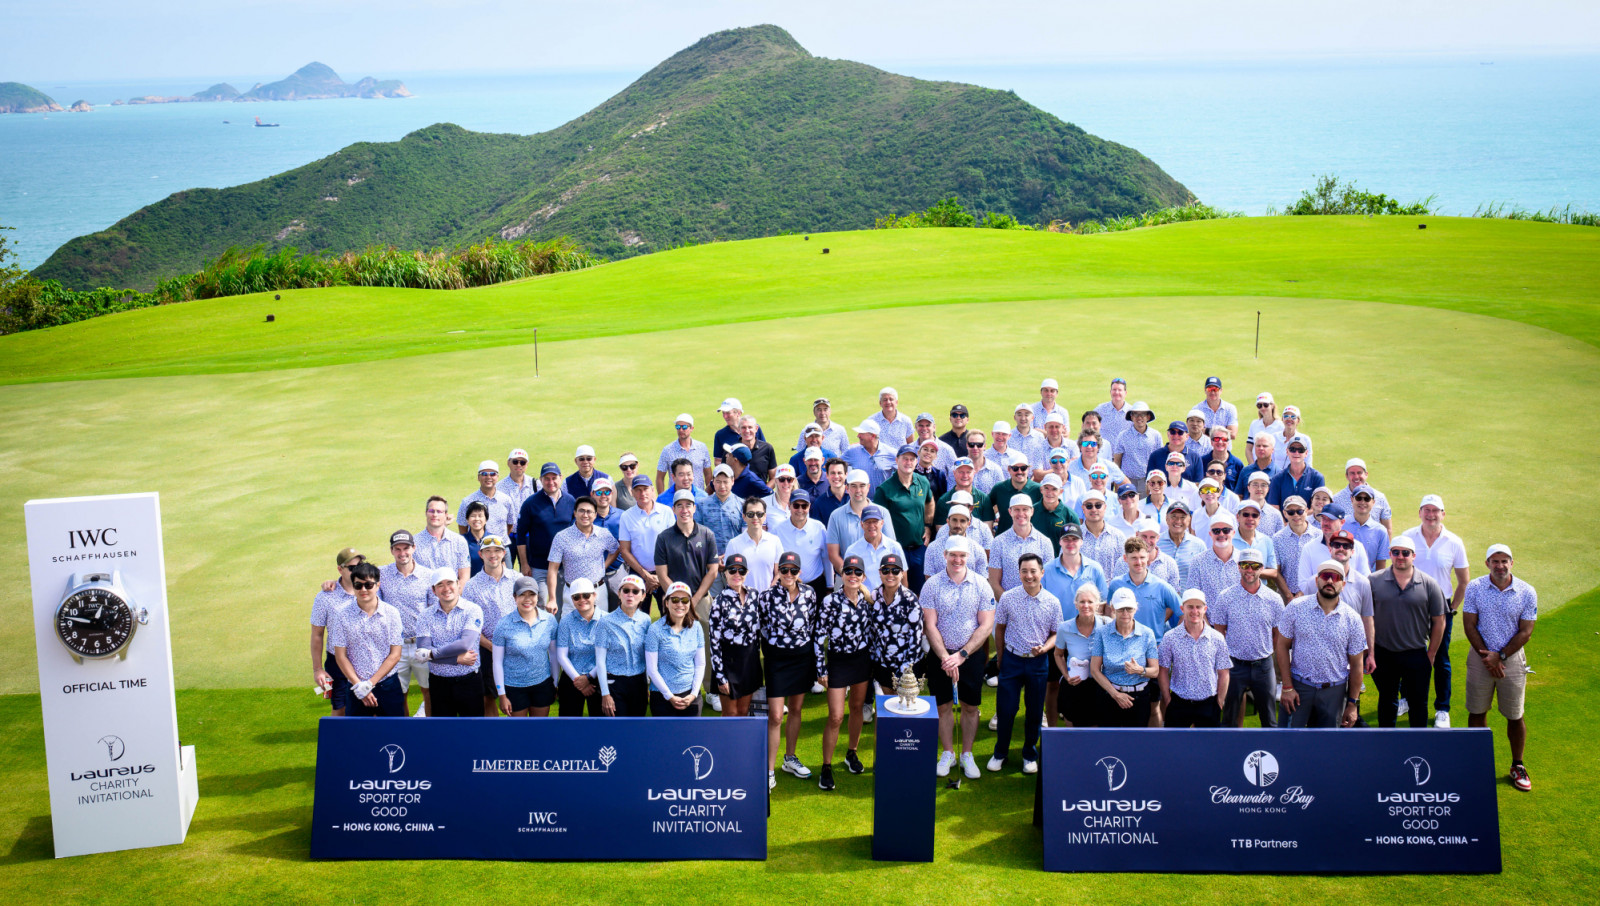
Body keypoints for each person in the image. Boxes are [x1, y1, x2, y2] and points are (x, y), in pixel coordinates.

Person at [1462, 544, 1538, 792]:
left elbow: (1526, 631)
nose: (1500, 565)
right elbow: (1470, 625)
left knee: (1515, 715)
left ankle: (1517, 765)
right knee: (1477, 711)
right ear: (1487, 564)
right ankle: (1476, 763)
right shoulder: (1474, 587)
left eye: (1505, 561)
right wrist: (1488, 657)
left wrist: (1501, 656)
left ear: (1512, 563)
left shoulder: (1527, 591)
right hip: (1480, 656)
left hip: (1512, 660)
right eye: (1495, 561)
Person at [921, 538, 995, 779]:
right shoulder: (932, 585)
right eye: (953, 555)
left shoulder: (982, 585)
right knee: (942, 706)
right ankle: (948, 753)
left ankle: (967, 754)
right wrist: (946, 657)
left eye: (962, 555)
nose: (957, 560)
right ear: (945, 555)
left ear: (969, 557)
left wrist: (961, 655)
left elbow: (986, 625)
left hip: (970, 656)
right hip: (940, 655)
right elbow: (929, 625)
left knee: (970, 707)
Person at [989, 553, 1061, 773]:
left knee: (1034, 711)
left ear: (1042, 573)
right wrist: (1000, 656)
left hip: (1038, 663)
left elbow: (1056, 634)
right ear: (1019, 573)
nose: (1029, 576)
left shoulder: (1052, 602)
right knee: (1006, 709)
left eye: (1033, 571)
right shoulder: (1009, 598)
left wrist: (1045, 648)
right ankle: (1000, 752)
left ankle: (1029, 754)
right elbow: (999, 628)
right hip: (1011, 660)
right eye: (1024, 571)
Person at [1403, 494, 1470, 728]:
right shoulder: (1408, 537)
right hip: (1411, 605)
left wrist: (1452, 608)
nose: (1431, 515)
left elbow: (1463, 580)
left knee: (1440, 658)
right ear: (1420, 512)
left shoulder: (1454, 541)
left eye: (1436, 511)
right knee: (1408, 653)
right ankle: (1405, 697)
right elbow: (1398, 569)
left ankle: (1442, 708)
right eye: (1426, 510)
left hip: (1441, 609)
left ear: (1443, 514)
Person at [1275, 560, 1366, 728]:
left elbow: (1356, 663)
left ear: (1343, 584)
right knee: (1289, 744)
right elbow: (1281, 646)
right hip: (1299, 687)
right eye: (1325, 576)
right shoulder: (1296, 607)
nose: (1330, 581)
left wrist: (1353, 702)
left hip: (1334, 692)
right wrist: (1287, 687)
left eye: (1335, 577)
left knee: (1328, 747)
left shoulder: (1352, 619)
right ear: (1317, 580)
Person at [1369, 535, 1447, 728]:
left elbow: (1439, 621)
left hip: (1416, 653)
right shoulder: (1374, 581)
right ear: (1390, 555)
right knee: (1387, 700)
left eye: (1405, 553)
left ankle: (1418, 746)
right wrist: (1369, 652)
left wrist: (1431, 653)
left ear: (1413, 556)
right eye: (1396, 552)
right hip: (1383, 652)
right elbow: (1366, 618)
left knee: (1418, 702)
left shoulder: (1429, 583)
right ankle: (1387, 744)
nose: (1400, 556)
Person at [654, 488, 720, 708]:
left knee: (706, 643)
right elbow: (662, 573)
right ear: (674, 509)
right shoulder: (664, 537)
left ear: (694, 507)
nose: (684, 510)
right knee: (672, 645)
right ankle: (673, 688)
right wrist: (677, 599)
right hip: (674, 602)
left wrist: (693, 599)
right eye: (679, 506)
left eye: (688, 505)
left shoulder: (706, 534)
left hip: (700, 599)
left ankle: (710, 690)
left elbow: (712, 570)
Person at [816, 555, 877, 790]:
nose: (852, 576)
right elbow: (819, 637)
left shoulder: (868, 600)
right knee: (835, 717)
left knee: (857, 708)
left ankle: (851, 752)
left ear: (863, 576)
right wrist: (821, 669)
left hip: (861, 662)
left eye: (857, 572)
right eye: (848, 571)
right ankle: (826, 766)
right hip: (838, 662)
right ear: (841, 575)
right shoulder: (830, 601)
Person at [761, 557, 822, 788]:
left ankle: (789, 758)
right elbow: (764, 628)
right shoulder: (767, 597)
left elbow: (813, 625)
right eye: (784, 569)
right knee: (776, 716)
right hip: (777, 660)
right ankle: (768, 769)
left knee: (796, 709)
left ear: (799, 571)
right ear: (779, 570)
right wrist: (774, 651)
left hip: (802, 658)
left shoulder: (809, 593)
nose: (788, 573)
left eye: (793, 569)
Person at [1210, 548, 1284, 727]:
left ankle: (1271, 753)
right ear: (1238, 567)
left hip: (1264, 666)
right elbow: (1219, 634)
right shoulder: (1225, 597)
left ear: (1261, 568)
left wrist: (1268, 654)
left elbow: (1278, 635)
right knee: (1229, 718)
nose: (1249, 570)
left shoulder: (1274, 599)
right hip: (1234, 666)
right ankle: (1230, 754)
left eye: (1254, 566)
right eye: (1245, 565)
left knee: (1269, 719)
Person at [331, 561, 406, 716]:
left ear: (377, 585)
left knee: (394, 736)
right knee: (357, 737)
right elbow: (340, 655)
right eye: (358, 585)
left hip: (387, 685)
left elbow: (395, 654)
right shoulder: (341, 615)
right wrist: (360, 686)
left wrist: (369, 684)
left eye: (368, 585)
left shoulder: (392, 613)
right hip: (355, 688)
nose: (363, 590)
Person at [413, 569, 485, 718]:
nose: (446, 589)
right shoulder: (425, 616)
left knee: (473, 731)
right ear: (433, 590)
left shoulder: (473, 610)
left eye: (450, 583)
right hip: (439, 683)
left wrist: (432, 654)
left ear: (458, 584)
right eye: (440, 585)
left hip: (469, 681)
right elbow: (423, 649)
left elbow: (464, 644)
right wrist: (456, 659)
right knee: (443, 733)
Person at [377, 530, 432, 715]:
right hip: (394, 646)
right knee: (399, 694)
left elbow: (433, 611)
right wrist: (333, 583)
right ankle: (406, 734)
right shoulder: (381, 575)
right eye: (397, 549)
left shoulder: (428, 575)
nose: (402, 553)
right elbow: (356, 578)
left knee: (428, 691)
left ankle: (429, 732)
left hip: (421, 643)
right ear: (392, 551)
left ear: (414, 548)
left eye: (406, 548)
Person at [1158, 590, 1232, 728]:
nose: (1194, 611)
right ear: (1182, 609)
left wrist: (1219, 702)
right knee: (1174, 747)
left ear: (1205, 609)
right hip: (1179, 703)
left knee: (1209, 747)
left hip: (1209, 703)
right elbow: (1163, 671)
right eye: (1190, 606)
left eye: (1198, 607)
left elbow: (1224, 672)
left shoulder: (1217, 638)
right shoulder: (1170, 637)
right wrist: (1167, 699)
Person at [1090, 589, 1161, 727]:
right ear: (1112, 609)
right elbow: (1094, 670)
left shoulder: (1147, 634)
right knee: (1110, 744)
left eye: (1129, 608)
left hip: (1139, 697)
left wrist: (1140, 670)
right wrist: (1115, 694)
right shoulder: (1102, 633)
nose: (1125, 613)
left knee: (1136, 743)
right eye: (1121, 609)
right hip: (1110, 696)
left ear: (1135, 608)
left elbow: (1155, 671)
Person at [464, 536, 518, 715]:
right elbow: (469, 625)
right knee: (488, 695)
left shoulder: (518, 579)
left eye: (497, 551)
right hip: (486, 648)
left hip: (517, 646)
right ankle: (495, 736)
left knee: (517, 693)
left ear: (504, 553)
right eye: (488, 551)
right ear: (481, 554)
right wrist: (492, 647)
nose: (492, 555)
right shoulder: (471, 586)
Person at [492, 576, 559, 716]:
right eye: (522, 594)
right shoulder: (503, 624)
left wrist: (555, 683)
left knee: (539, 730)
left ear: (538, 596)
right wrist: (502, 695)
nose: (527, 599)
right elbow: (497, 662)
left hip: (542, 683)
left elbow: (553, 655)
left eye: (532, 594)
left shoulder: (549, 620)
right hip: (514, 687)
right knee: (518, 734)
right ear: (514, 597)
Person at [709, 553, 764, 717]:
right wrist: (720, 676)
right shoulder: (719, 602)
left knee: (743, 712)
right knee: (730, 714)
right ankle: (727, 744)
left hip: (749, 661)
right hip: (728, 663)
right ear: (724, 573)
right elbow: (714, 642)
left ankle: (741, 744)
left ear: (747, 573)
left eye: (741, 571)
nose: (737, 575)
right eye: (732, 570)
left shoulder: (754, 595)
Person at [516, 465, 576, 612]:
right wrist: (524, 563)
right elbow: (521, 536)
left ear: (560, 478)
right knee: (541, 605)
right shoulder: (530, 503)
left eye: (554, 478)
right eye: (546, 479)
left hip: (565, 567)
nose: (551, 482)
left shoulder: (571, 501)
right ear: (541, 480)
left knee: (563, 606)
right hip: (539, 566)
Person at [872, 445, 934, 588]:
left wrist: (928, 526)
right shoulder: (885, 489)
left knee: (920, 589)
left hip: (919, 547)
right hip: (896, 549)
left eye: (912, 459)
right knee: (898, 589)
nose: (908, 462)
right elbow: (877, 521)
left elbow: (930, 502)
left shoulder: (922, 482)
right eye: (904, 459)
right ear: (897, 460)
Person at [547, 495, 620, 614]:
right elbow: (553, 569)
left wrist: (603, 567)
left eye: (589, 512)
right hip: (573, 595)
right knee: (570, 630)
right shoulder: (561, 537)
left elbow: (615, 549)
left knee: (600, 629)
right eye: (581, 511)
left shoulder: (603, 534)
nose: (585, 515)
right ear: (575, 513)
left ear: (595, 515)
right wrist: (552, 599)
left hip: (598, 592)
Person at [310, 548, 361, 716]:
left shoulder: (371, 587)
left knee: (372, 705)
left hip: (367, 657)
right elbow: (317, 635)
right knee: (340, 707)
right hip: (337, 660)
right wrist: (317, 669)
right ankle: (340, 741)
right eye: (352, 568)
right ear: (340, 569)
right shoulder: (325, 597)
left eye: (361, 566)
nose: (358, 571)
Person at [871, 551, 928, 698]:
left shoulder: (911, 600)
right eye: (886, 570)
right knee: (888, 704)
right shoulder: (874, 596)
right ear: (880, 573)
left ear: (902, 574)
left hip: (907, 665)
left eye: (895, 570)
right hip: (883, 663)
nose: (890, 574)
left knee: (905, 708)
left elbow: (916, 637)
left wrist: (905, 669)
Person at [1053, 585, 1111, 727]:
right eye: (1082, 602)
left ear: (1098, 605)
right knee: (1072, 728)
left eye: (1090, 602)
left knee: (1096, 731)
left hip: (1100, 686)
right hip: (1074, 685)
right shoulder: (1064, 628)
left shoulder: (1108, 625)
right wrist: (1066, 676)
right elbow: (1058, 654)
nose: (1086, 605)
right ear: (1076, 604)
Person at [646, 583, 707, 717]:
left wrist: (694, 694)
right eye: (674, 599)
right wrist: (670, 696)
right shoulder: (655, 629)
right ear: (666, 603)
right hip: (662, 695)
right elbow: (651, 669)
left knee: (691, 737)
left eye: (685, 600)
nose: (680, 604)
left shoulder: (696, 627)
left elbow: (700, 664)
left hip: (690, 695)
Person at [595, 574, 652, 716]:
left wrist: (646, 684)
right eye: (625, 590)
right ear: (619, 594)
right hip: (614, 683)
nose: (630, 595)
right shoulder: (605, 622)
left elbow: (646, 656)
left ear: (643, 595)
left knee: (637, 728)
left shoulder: (646, 620)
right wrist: (605, 694)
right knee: (617, 730)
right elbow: (600, 661)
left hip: (638, 681)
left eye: (635, 591)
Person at [617, 477, 673, 615]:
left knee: (669, 616)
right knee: (637, 619)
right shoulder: (627, 516)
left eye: (646, 489)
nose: (643, 493)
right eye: (638, 490)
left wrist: (659, 576)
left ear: (653, 490)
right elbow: (624, 550)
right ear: (632, 493)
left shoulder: (666, 512)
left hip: (665, 573)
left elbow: (673, 546)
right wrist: (646, 575)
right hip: (638, 574)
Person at [1109, 537, 1181, 638]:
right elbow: (1109, 612)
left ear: (1147, 557)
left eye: (1142, 557)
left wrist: (1171, 641)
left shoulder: (1162, 586)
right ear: (1125, 558)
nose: (1139, 562)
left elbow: (1183, 613)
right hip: (1121, 646)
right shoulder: (1115, 584)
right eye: (1134, 558)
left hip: (1154, 647)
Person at [988, 495, 1054, 600]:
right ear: (1010, 512)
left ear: (1032, 511)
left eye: (1025, 509)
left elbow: (1049, 580)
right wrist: (1010, 605)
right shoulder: (999, 542)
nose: (1021, 514)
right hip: (1007, 609)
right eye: (1017, 510)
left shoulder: (1045, 543)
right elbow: (994, 582)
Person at [555, 579, 603, 716]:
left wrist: (588, 678)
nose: (582, 600)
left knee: (602, 725)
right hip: (572, 676)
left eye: (586, 595)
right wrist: (579, 680)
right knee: (568, 726)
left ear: (594, 595)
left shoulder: (606, 620)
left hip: (598, 676)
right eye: (576, 597)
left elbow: (607, 656)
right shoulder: (566, 621)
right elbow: (561, 656)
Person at [773, 489, 829, 600]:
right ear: (789, 505)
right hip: (787, 586)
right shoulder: (777, 530)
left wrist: (830, 586)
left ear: (809, 507)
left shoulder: (819, 528)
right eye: (796, 505)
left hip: (815, 585)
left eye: (804, 506)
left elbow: (826, 558)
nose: (800, 510)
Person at [844, 505, 908, 593]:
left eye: (875, 522)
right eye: (867, 522)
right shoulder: (852, 550)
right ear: (862, 525)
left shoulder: (894, 547)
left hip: (889, 601)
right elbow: (848, 580)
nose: (872, 525)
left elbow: (903, 576)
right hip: (863, 602)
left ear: (882, 523)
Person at [727, 496, 785, 591]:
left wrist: (770, 592)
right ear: (744, 517)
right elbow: (729, 575)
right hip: (743, 601)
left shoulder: (775, 541)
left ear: (765, 516)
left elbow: (779, 572)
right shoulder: (734, 544)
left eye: (759, 514)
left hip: (768, 600)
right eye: (750, 514)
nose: (755, 517)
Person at [1188, 511, 1244, 608]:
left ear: (1233, 533)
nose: (1221, 534)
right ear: (1210, 534)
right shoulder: (1198, 562)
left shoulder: (1244, 560)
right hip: (1208, 622)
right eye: (1216, 531)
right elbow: (1193, 598)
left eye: (1226, 530)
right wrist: (1205, 623)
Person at [414, 496, 470, 587]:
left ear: (446, 515)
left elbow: (464, 577)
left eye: (439, 511)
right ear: (426, 513)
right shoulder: (414, 542)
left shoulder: (459, 542)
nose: (435, 515)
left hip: (452, 596)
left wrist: (453, 598)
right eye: (431, 511)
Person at [1272, 496, 1318, 600]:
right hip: (1286, 595)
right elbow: (1276, 571)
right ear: (1284, 514)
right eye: (1291, 512)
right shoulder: (1277, 538)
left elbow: (1320, 568)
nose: (1296, 515)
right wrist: (1288, 595)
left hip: (1313, 594)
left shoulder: (1318, 536)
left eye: (1300, 511)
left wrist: (1302, 593)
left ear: (1306, 511)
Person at [1333, 458, 1394, 536]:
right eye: (1352, 473)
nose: (1356, 477)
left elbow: (1388, 528)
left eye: (1359, 472)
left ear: (1366, 474)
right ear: (1347, 476)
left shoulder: (1380, 497)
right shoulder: (1337, 499)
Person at [695, 464, 746, 558]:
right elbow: (697, 535)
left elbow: (745, 535)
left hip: (736, 559)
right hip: (710, 560)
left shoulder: (742, 505)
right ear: (713, 482)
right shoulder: (702, 505)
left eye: (725, 482)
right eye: (718, 482)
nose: (722, 486)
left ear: (732, 481)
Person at [459, 460, 516, 542]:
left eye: (493, 474)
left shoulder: (506, 500)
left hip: (501, 548)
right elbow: (462, 526)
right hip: (477, 547)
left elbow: (510, 524)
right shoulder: (467, 501)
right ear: (478, 477)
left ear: (497, 477)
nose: (488, 477)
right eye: (484, 474)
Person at [498, 449, 537, 566]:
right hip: (508, 537)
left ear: (527, 465)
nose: (519, 465)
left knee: (528, 573)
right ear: (508, 463)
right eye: (515, 462)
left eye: (522, 462)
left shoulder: (535, 484)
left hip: (529, 537)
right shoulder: (499, 487)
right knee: (505, 572)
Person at [656, 413, 713, 493]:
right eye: (678, 427)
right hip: (676, 499)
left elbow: (708, 474)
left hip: (698, 498)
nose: (681, 430)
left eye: (684, 427)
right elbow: (660, 478)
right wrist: (662, 500)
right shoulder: (667, 450)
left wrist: (708, 496)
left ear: (691, 428)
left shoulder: (702, 448)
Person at [1077, 490, 1128, 579]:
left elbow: (1125, 568)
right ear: (1083, 508)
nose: (1094, 509)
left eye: (1098, 505)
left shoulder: (1118, 536)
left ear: (1105, 507)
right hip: (1081, 590)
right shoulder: (1074, 536)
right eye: (1089, 506)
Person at [1116, 402, 1161, 494]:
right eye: (1136, 414)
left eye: (1143, 414)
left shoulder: (1155, 435)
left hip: (1148, 481)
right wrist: (1117, 482)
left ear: (1148, 417)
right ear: (1131, 417)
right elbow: (1117, 461)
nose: (1139, 417)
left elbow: (1159, 460)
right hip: (1127, 480)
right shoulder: (1123, 436)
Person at [1342, 486, 1391, 569]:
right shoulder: (1340, 523)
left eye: (1367, 499)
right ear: (1352, 499)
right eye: (1359, 498)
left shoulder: (1380, 531)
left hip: (1368, 580)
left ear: (1373, 502)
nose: (1362, 502)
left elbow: (1381, 565)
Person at [1267, 438, 1323, 508]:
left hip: (1308, 519)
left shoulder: (1317, 478)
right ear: (1287, 452)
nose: (1296, 453)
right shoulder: (1277, 479)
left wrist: (1300, 517)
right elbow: (1274, 507)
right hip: (1283, 518)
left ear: (1306, 453)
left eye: (1301, 450)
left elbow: (1319, 506)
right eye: (1292, 449)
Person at [843, 422, 890, 493]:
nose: (858, 436)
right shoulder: (852, 451)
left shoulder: (890, 453)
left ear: (873, 436)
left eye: (861, 433)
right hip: (859, 501)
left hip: (883, 502)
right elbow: (835, 466)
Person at [809, 458, 851, 534]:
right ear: (827, 475)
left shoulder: (854, 498)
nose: (836, 476)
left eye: (839, 473)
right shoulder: (820, 502)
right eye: (832, 473)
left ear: (846, 475)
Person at [736, 415, 779, 484]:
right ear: (739, 430)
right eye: (743, 427)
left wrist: (764, 491)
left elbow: (773, 477)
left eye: (750, 427)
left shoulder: (767, 448)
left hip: (761, 494)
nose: (747, 431)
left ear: (756, 428)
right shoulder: (731, 451)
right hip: (738, 494)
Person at [1195, 376, 1239, 441]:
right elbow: (1194, 432)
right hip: (1203, 450)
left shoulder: (1230, 409)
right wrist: (1223, 432)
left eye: (1215, 389)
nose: (1212, 392)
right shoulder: (1197, 409)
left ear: (1221, 390)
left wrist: (1206, 430)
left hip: (1223, 448)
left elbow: (1233, 434)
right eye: (1209, 389)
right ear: (1205, 390)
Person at [1270, 406, 1313, 472]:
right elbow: (1270, 461)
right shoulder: (1274, 437)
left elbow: (1308, 464)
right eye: (1286, 416)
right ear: (1282, 419)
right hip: (1276, 478)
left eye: (1293, 417)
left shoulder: (1305, 440)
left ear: (1298, 420)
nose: (1289, 419)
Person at [963, 430, 1005, 496]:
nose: (975, 448)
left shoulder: (995, 470)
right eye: (971, 445)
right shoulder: (957, 469)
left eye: (979, 445)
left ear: (984, 446)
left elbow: (1001, 495)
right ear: (967, 445)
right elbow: (951, 494)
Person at [462, 502, 489, 576]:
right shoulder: (461, 541)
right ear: (467, 520)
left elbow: (502, 564)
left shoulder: (493, 539)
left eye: (480, 516)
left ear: (486, 519)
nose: (477, 519)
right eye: (473, 516)